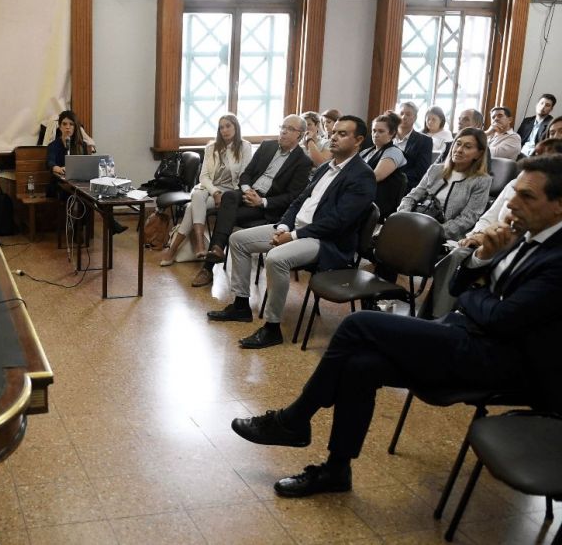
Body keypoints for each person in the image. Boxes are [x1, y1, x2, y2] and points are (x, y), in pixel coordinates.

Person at [229, 154, 562, 498]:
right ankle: (335, 470)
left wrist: (476, 299)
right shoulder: (523, 233)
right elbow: (460, 288)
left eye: (528, 196)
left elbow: (500, 318)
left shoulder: (556, 258)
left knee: (358, 324)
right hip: (470, 336)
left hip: (502, 362)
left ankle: (295, 419)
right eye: (515, 193)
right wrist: (481, 262)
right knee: (360, 367)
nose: (513, 203)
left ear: (558, 205)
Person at [206, 116, 376, 349]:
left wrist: (293, 236)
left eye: (342, 134)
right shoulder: (326, 167)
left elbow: (338, 222)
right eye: (334, 132)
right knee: (237, 240)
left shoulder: (362, 175)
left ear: (358, 141)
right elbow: (298, 201)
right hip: (295, 228)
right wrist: (285, 226)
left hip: (325, 241)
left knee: (276, 258)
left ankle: (272, 328)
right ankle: (241, 305)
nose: (334, 137)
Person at [190, 115, 313, 288]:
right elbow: (246, 174)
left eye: (290, 129)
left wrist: (261, 201)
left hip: (267, 205)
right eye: (282, 127)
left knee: (227, 213)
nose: (284, 131)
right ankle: (216, 251)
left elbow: (292, 197)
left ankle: (209, 264)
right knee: (230, 197)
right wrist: (248, 191)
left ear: (300, 135)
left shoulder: (303, 161)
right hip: (248, 193)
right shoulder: (267, 146)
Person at [160, 114, 253, 265]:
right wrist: (215, 192)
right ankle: (200, 244)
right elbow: (203, 177)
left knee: (191, 208)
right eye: (221, 127)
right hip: (208, 188)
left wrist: (228, 195)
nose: (224, 130)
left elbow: (245, 175)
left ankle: (173, 249)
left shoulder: (245, 147)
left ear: (236, 127)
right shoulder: (211, 147)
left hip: (230, 192)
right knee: (197, 196)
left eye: (228, 126)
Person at [461, 137, 562, 245]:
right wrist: (477, 235)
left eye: (527, 196)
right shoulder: (514, 183)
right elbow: (488, 218)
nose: (510, 204)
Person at [397, 128, 492, 241]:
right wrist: (404, 217)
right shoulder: (436, 169)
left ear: (479, 154)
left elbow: (468, 218)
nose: (459, 150)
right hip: (414, 223)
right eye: (458, 144)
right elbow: (412, 196)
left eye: (468, 147)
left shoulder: (481, 180)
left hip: (443, 235)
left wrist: (434, 232)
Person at [46, 110, 126, 234]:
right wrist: (58, 168)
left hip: (78, 183)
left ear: (75, 127)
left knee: (97, 192)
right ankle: (83, 228)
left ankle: (106, 224)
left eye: (71, 124)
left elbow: (86, 164)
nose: (68, 127)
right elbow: (50, 163)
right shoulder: (53, 145)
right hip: (60, 185)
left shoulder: (80, 144)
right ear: (60, 127)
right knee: (83, 196)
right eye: (65, 124)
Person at [359, 112, 408, 222]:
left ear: (392, 133)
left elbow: (376, 177)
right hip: (361, 197)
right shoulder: (366, 152)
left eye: (381, 131)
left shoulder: (394, 152)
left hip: (378, 204)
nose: (376, 134)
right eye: (374, 131)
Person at [392, 102, 434, 190]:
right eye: (401, 113)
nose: (404, 117)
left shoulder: (424, 141)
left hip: (407, 186)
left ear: (415, 118)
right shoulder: (388, 136)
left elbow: (421, 170)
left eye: (408, 114)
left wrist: (395, 178)